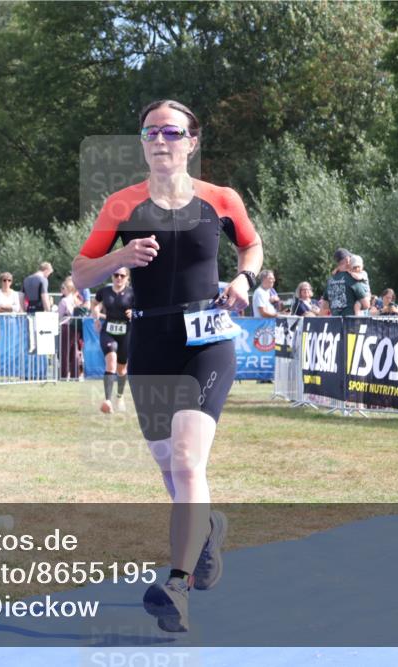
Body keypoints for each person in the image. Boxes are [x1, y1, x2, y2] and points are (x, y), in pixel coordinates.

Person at [72, 99, 262, 633]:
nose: (160, 140)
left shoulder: (221, 199)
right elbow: (81, 273)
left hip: (206, 341)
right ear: (143, 143)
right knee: (168, 467)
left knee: (185, 460)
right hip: (150, 338)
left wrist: (244, 280)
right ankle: (207, 530)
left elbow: (252, 246)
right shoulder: (121, 206)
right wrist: (119, 259)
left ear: (191, 142)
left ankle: (177, 585)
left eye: (171, 131)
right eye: (150, 132)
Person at [92, 267, 135, 413]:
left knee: (122, 369)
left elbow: (142, 307)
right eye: (116, 275)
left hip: (126, 332)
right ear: (112, 276)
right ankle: (107, 401)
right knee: (111, 363)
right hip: (108, 331)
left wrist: (134, 312)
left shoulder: (132, 293)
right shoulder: (105, 291)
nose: (119, 278)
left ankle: (120, 395)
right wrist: (96, 316)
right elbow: (94, 303)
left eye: (122, 276)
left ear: (127, 278)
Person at [326, 250, 369, 317]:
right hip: (351, 322)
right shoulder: (351, 277)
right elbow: (366, 304)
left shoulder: (330, 280)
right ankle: (358, 318)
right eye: (350, 258)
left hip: (335, 321)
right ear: (347, 259)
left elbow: (324, 306)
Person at [58, 276, 81, 379]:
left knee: (64, 352)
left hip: (66, 327)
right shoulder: (77, 300)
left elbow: (59, 315)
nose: (62, 289)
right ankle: (75, 374)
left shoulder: (64, 301)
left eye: (63, 287)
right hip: (75, 327)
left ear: (68, 289)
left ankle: (63, 374)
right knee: (74, 351)